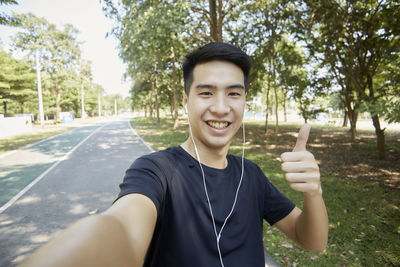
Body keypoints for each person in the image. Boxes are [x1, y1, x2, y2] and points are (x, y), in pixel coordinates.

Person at [22, 42, 328, 267]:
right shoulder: (155, 171)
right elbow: (123, 229)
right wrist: (93, 240)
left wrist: (313, 193)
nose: (221, 107)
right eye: (206, 92)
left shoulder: (252, 175)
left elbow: (313, 241)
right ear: (186, 100)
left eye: (233, 93)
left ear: (244, 101)